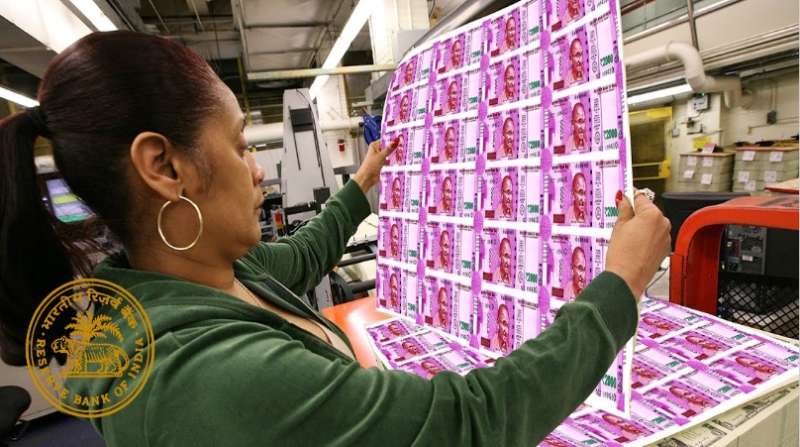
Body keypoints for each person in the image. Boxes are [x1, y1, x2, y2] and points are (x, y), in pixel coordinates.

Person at [0, 31, 673, 446]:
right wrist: (618, 286)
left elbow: (301, 255)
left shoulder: (198, 279)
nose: (258, 168)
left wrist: (363, 182)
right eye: (240, 144)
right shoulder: (205, 376)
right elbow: (469, 421)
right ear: (164, 167)